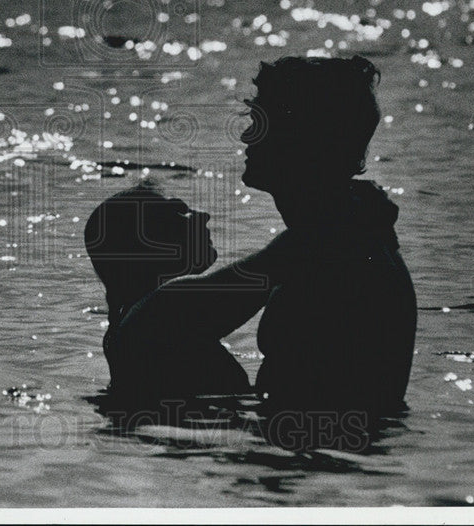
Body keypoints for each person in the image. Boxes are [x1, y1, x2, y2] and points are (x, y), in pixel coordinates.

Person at [111, 56, 417, 448]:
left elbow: (149, 328)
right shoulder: (335, 232)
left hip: (319, 455)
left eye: (259, 122)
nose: (246, 137)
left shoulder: (337, 242)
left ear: (302, 138)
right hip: (320, 451)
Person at [85, 183, 250, 405]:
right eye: (180, 213)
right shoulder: (163, 306)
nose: (203, 216)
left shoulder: (133, 318)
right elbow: (283, 259)